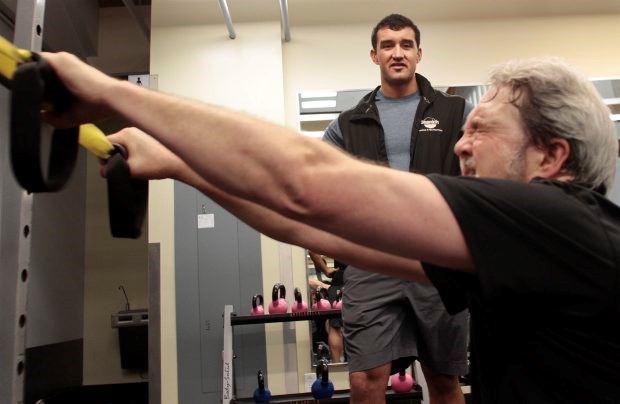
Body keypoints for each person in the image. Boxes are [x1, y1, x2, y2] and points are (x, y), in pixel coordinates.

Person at [42, 51, 620, 403]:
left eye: (481, 130)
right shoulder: (523, 252)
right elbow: (319, 230)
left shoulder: (564, 223)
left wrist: (110, 93)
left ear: (551, 158)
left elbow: (306, 180)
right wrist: (180, 166)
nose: (461, 146)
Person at [322, 14, 469, 403]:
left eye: (406, 44)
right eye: (388, 45)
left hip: (437, 261)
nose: (397, 52)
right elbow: (322, 185)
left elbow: (480, 176)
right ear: (375, 56)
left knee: (443, 378)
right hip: (371, 261)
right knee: (366, 379)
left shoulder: (456, 112)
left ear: (419, 53)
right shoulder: (348, 123)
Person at [307, 251, 346, 363]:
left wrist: (326, 270)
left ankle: (338, 364)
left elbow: (312, 249)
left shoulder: (336, 234)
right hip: (366, 279)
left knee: (335, 326)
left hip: (342, 277)